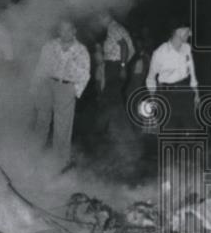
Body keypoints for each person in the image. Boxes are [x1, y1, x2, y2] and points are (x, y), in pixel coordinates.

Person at [32, 19, 91, 168]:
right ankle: (33, 154)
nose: (64, 33)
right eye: (62, 30)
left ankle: (59, 162)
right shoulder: (50, 46)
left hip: (66, 87)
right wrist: (35, 85)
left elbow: (85, 73)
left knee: (63, 126)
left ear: (74, 30)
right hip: (47, 84)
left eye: (68, 30)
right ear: (58, 31)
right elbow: (40, 66)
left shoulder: (81, 50)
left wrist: (74, 91)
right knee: (42, 120)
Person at [147, 23, 200, 130]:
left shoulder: (187, 48)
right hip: (168, 95)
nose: (190, 34)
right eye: (187, 30)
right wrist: (153, 100)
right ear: (177, 31)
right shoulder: (160, 53)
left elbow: (192, 72)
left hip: (185, 92)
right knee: (169, 131)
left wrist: (196, 93)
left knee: (192, 130)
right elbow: (151, 78)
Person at [98, 11, 135, 104]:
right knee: (115, 96)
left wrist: (123, 66)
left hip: (114, 66)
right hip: (117, 65)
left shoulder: (113, 28)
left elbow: (124, 46)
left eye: (100, 18)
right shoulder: (117, 27)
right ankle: (117, 117)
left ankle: (116, 117)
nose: (99, 22)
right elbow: (131, 49)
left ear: (107, 17)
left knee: (112, 96)